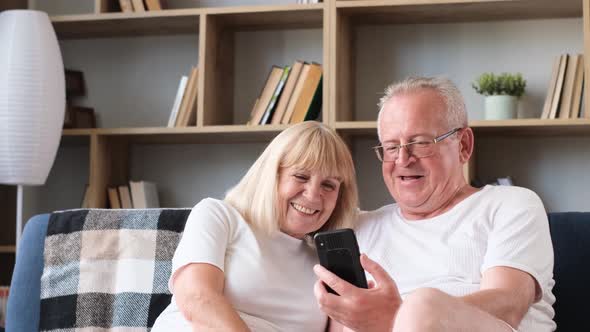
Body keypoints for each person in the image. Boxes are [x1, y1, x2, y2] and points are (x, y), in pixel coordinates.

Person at [313, 77, 555, 332]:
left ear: (463, 145)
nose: (403, 160)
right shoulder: (357, 228)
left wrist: (398, 318)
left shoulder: (511, 205)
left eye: (420, 143)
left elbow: (508, 305)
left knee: (425, 304)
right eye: (391, 147)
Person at [152, 121, 359, 332]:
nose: (313, 195)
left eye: (329, 185)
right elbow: (197, 298)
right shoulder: (219, 215)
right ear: (271, 175)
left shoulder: (328, 262)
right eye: (301, 176)